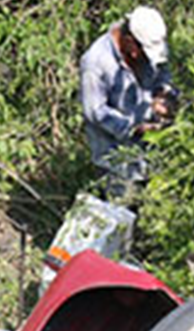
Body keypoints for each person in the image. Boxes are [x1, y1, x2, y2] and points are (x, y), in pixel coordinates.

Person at [80, 6, 176, 198]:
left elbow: (163, 74)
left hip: (150, 153)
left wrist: (164, 95)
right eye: (142, 52)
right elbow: (95, 111)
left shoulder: (147, 44)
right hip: (115, 161)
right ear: (130, 41)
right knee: (121, 212)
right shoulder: (96, 63)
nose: (142, 58)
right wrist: (135, 128)